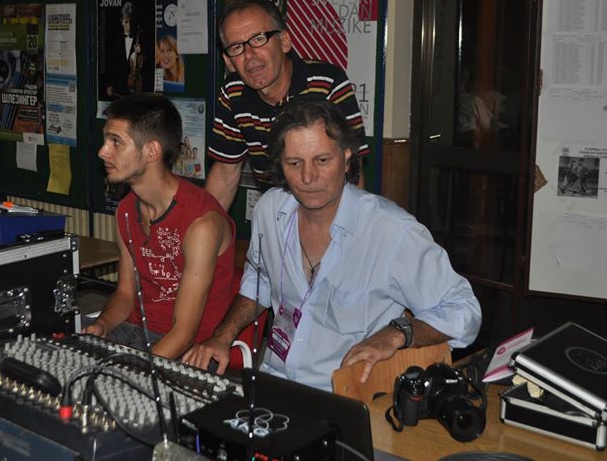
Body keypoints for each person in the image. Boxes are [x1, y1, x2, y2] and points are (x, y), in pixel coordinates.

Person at [184, 94, 481, 391]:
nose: (308, 177)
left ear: (347, 156)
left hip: (345, 395)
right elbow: (259, 277)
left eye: (322, 160)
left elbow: (464, 310)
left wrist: (397, 334)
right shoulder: (270, 210)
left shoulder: (391, 231)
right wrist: (223, 336)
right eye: (294, 163)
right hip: (272, 383)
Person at [86, 93, 236, 359]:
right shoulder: (126, 210)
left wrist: (136, 372)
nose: (102, 151)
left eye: (116, 142)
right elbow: (125, 294)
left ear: (152, 151)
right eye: (106, 140)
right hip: (134, 333)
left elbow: (184, 332)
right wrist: (103, 324)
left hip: (187, 352)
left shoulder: (201, 223)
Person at [205, 0, 370, 210]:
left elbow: (353, 170)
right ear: (228, 61)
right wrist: (205, 224)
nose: (249, 55)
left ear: (284, 41)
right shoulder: (232, 92)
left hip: (328, 208)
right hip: (275, 211)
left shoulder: (327, 83)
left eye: (258, 39)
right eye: (237, 47)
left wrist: (347, 226)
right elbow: (225, 172)